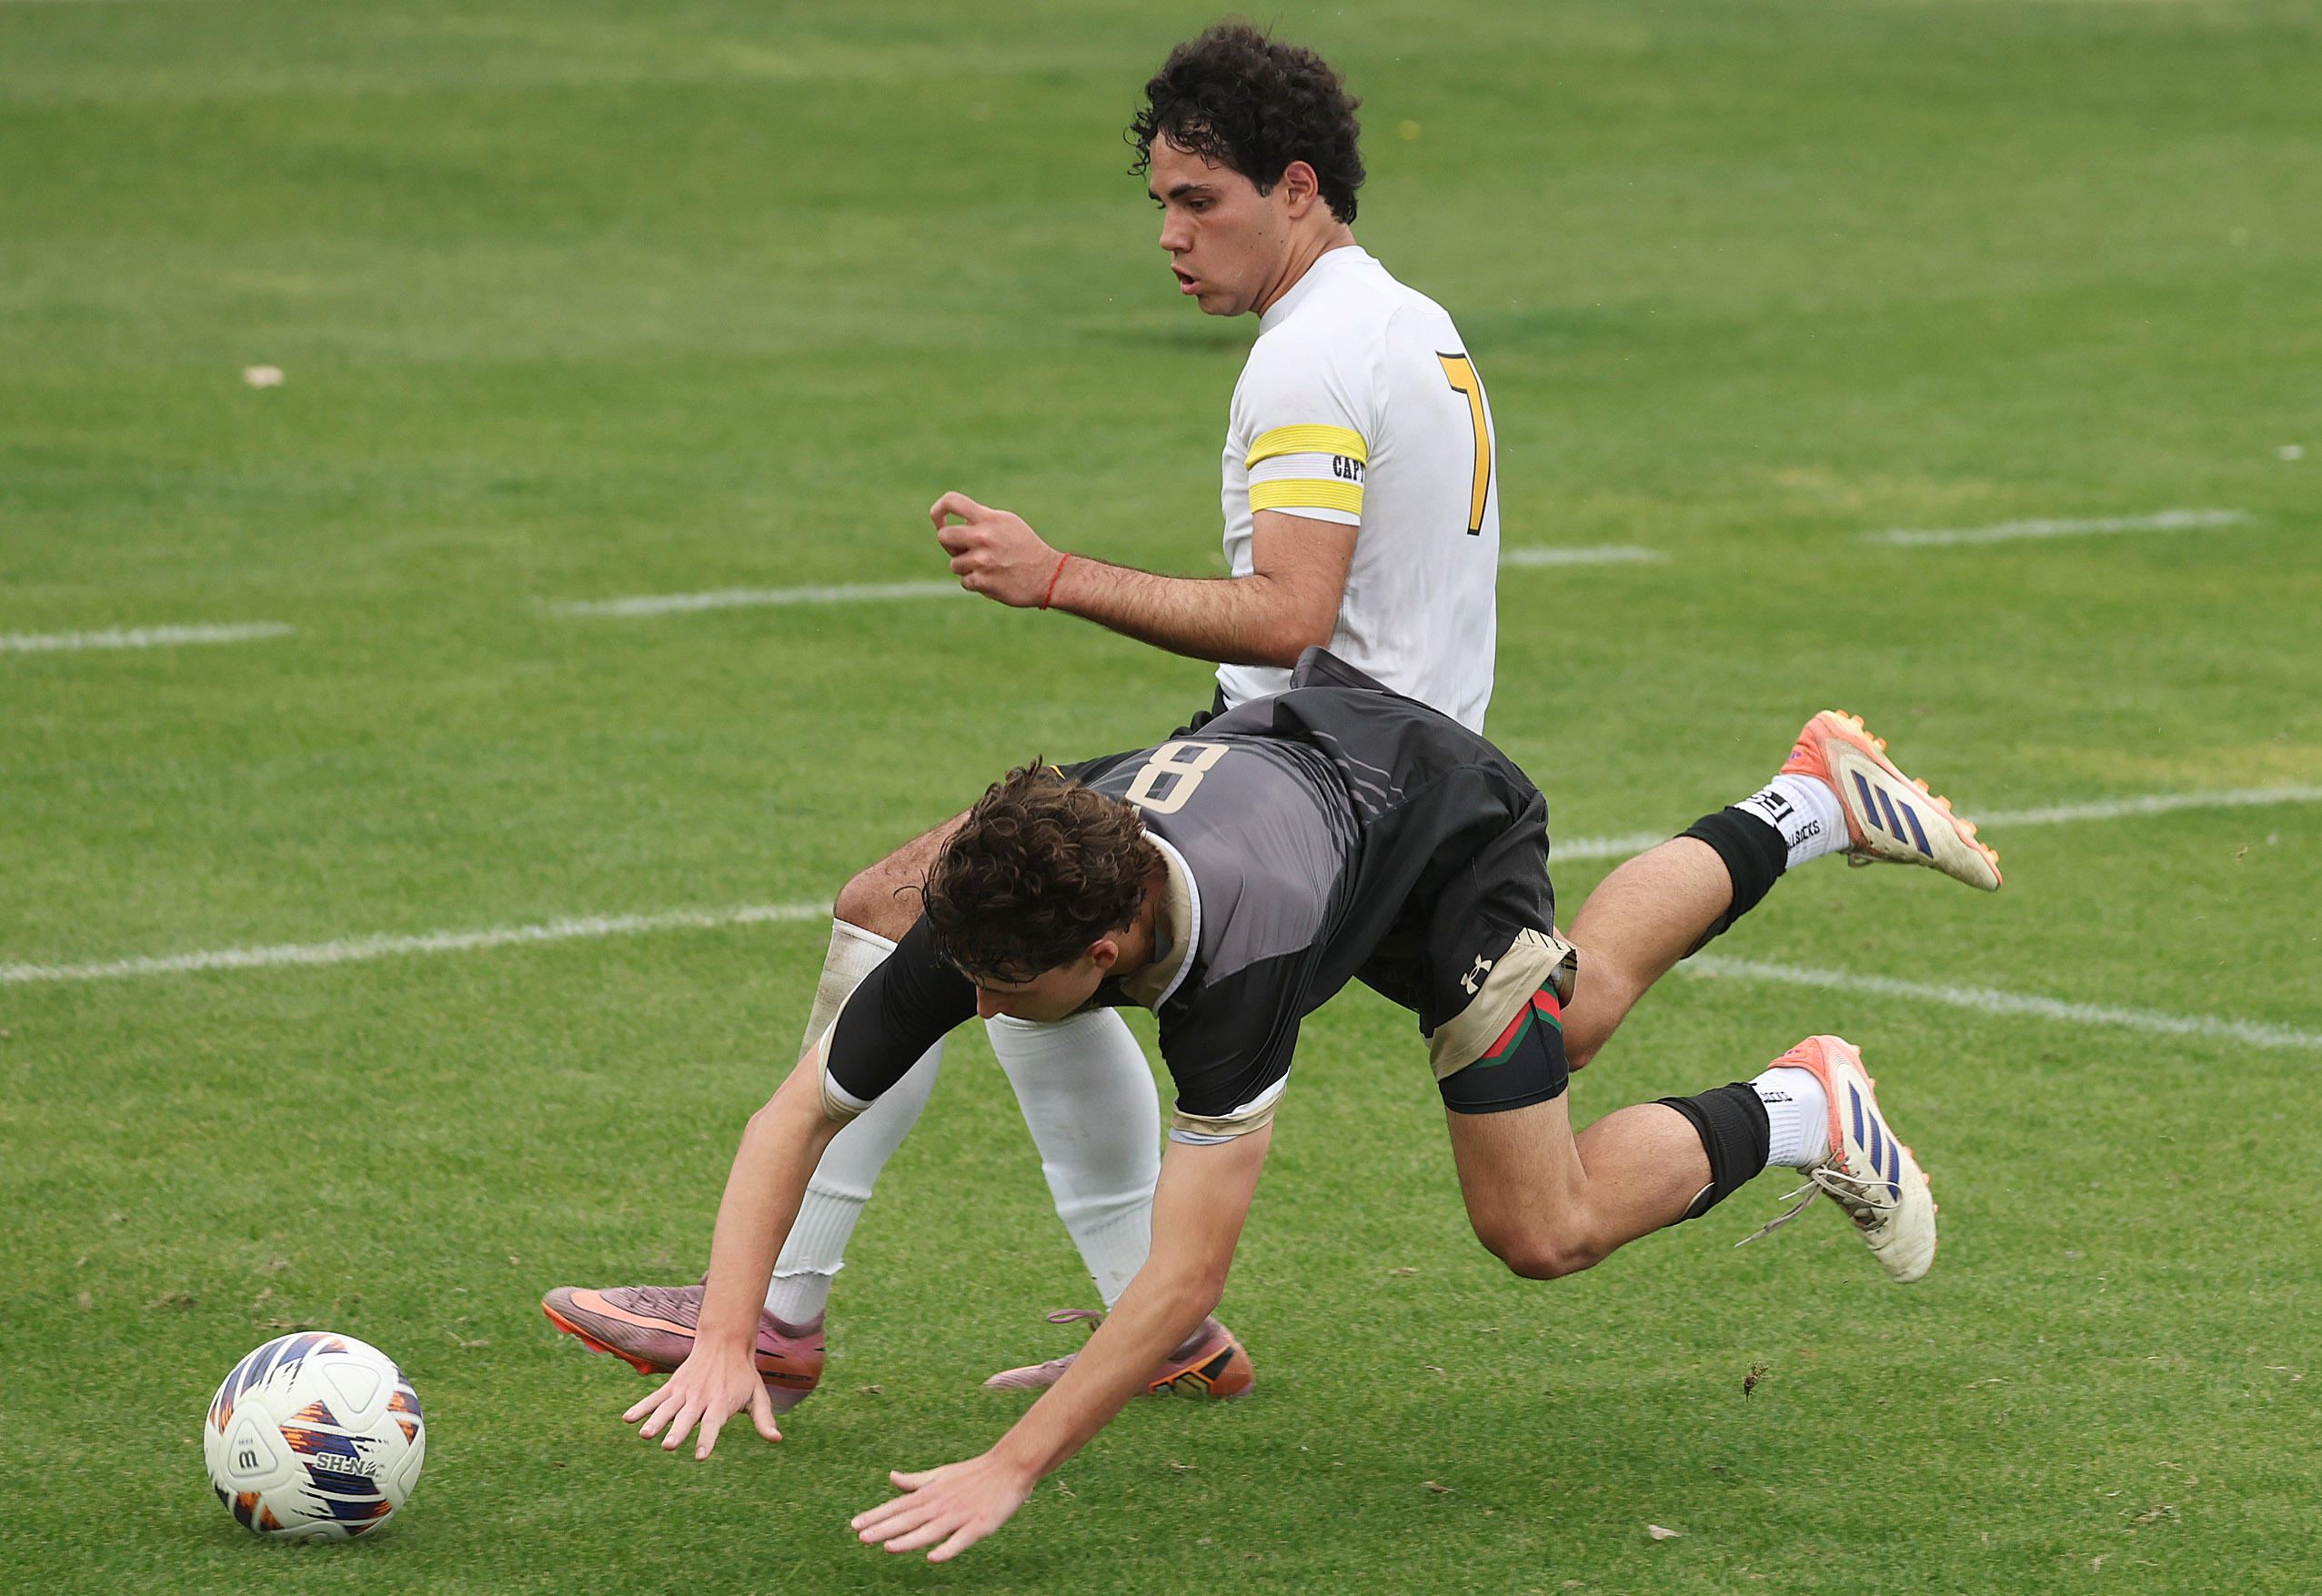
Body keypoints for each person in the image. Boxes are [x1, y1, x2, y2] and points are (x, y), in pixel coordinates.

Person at [546, 23, 1516, 1402]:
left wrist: (1056, 576)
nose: (1171, 236)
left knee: (927, 913)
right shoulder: (1407, 319)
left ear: (1297, 189)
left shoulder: (1308, 357)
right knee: (1027, 948)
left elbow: (1289, 613)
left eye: (1200, 202)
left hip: (1324, 777)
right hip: (1383, 765)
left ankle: (778, 1314)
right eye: (1161, 205)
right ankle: (1138, 1322)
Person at [618, 651, 2002, 1562]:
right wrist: (727, 1335)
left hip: (1440, 827)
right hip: (1309, 772)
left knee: (1541, 1222)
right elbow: (792, 1116)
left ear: (1105, 948)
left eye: (1006, 990)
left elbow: (1184, 1281)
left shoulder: (1239, 974)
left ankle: (1801, 1106)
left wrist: (1012, 1466)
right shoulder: (996, 907)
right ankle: (1810, 797)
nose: (976, 1008)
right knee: (1567, 1020)